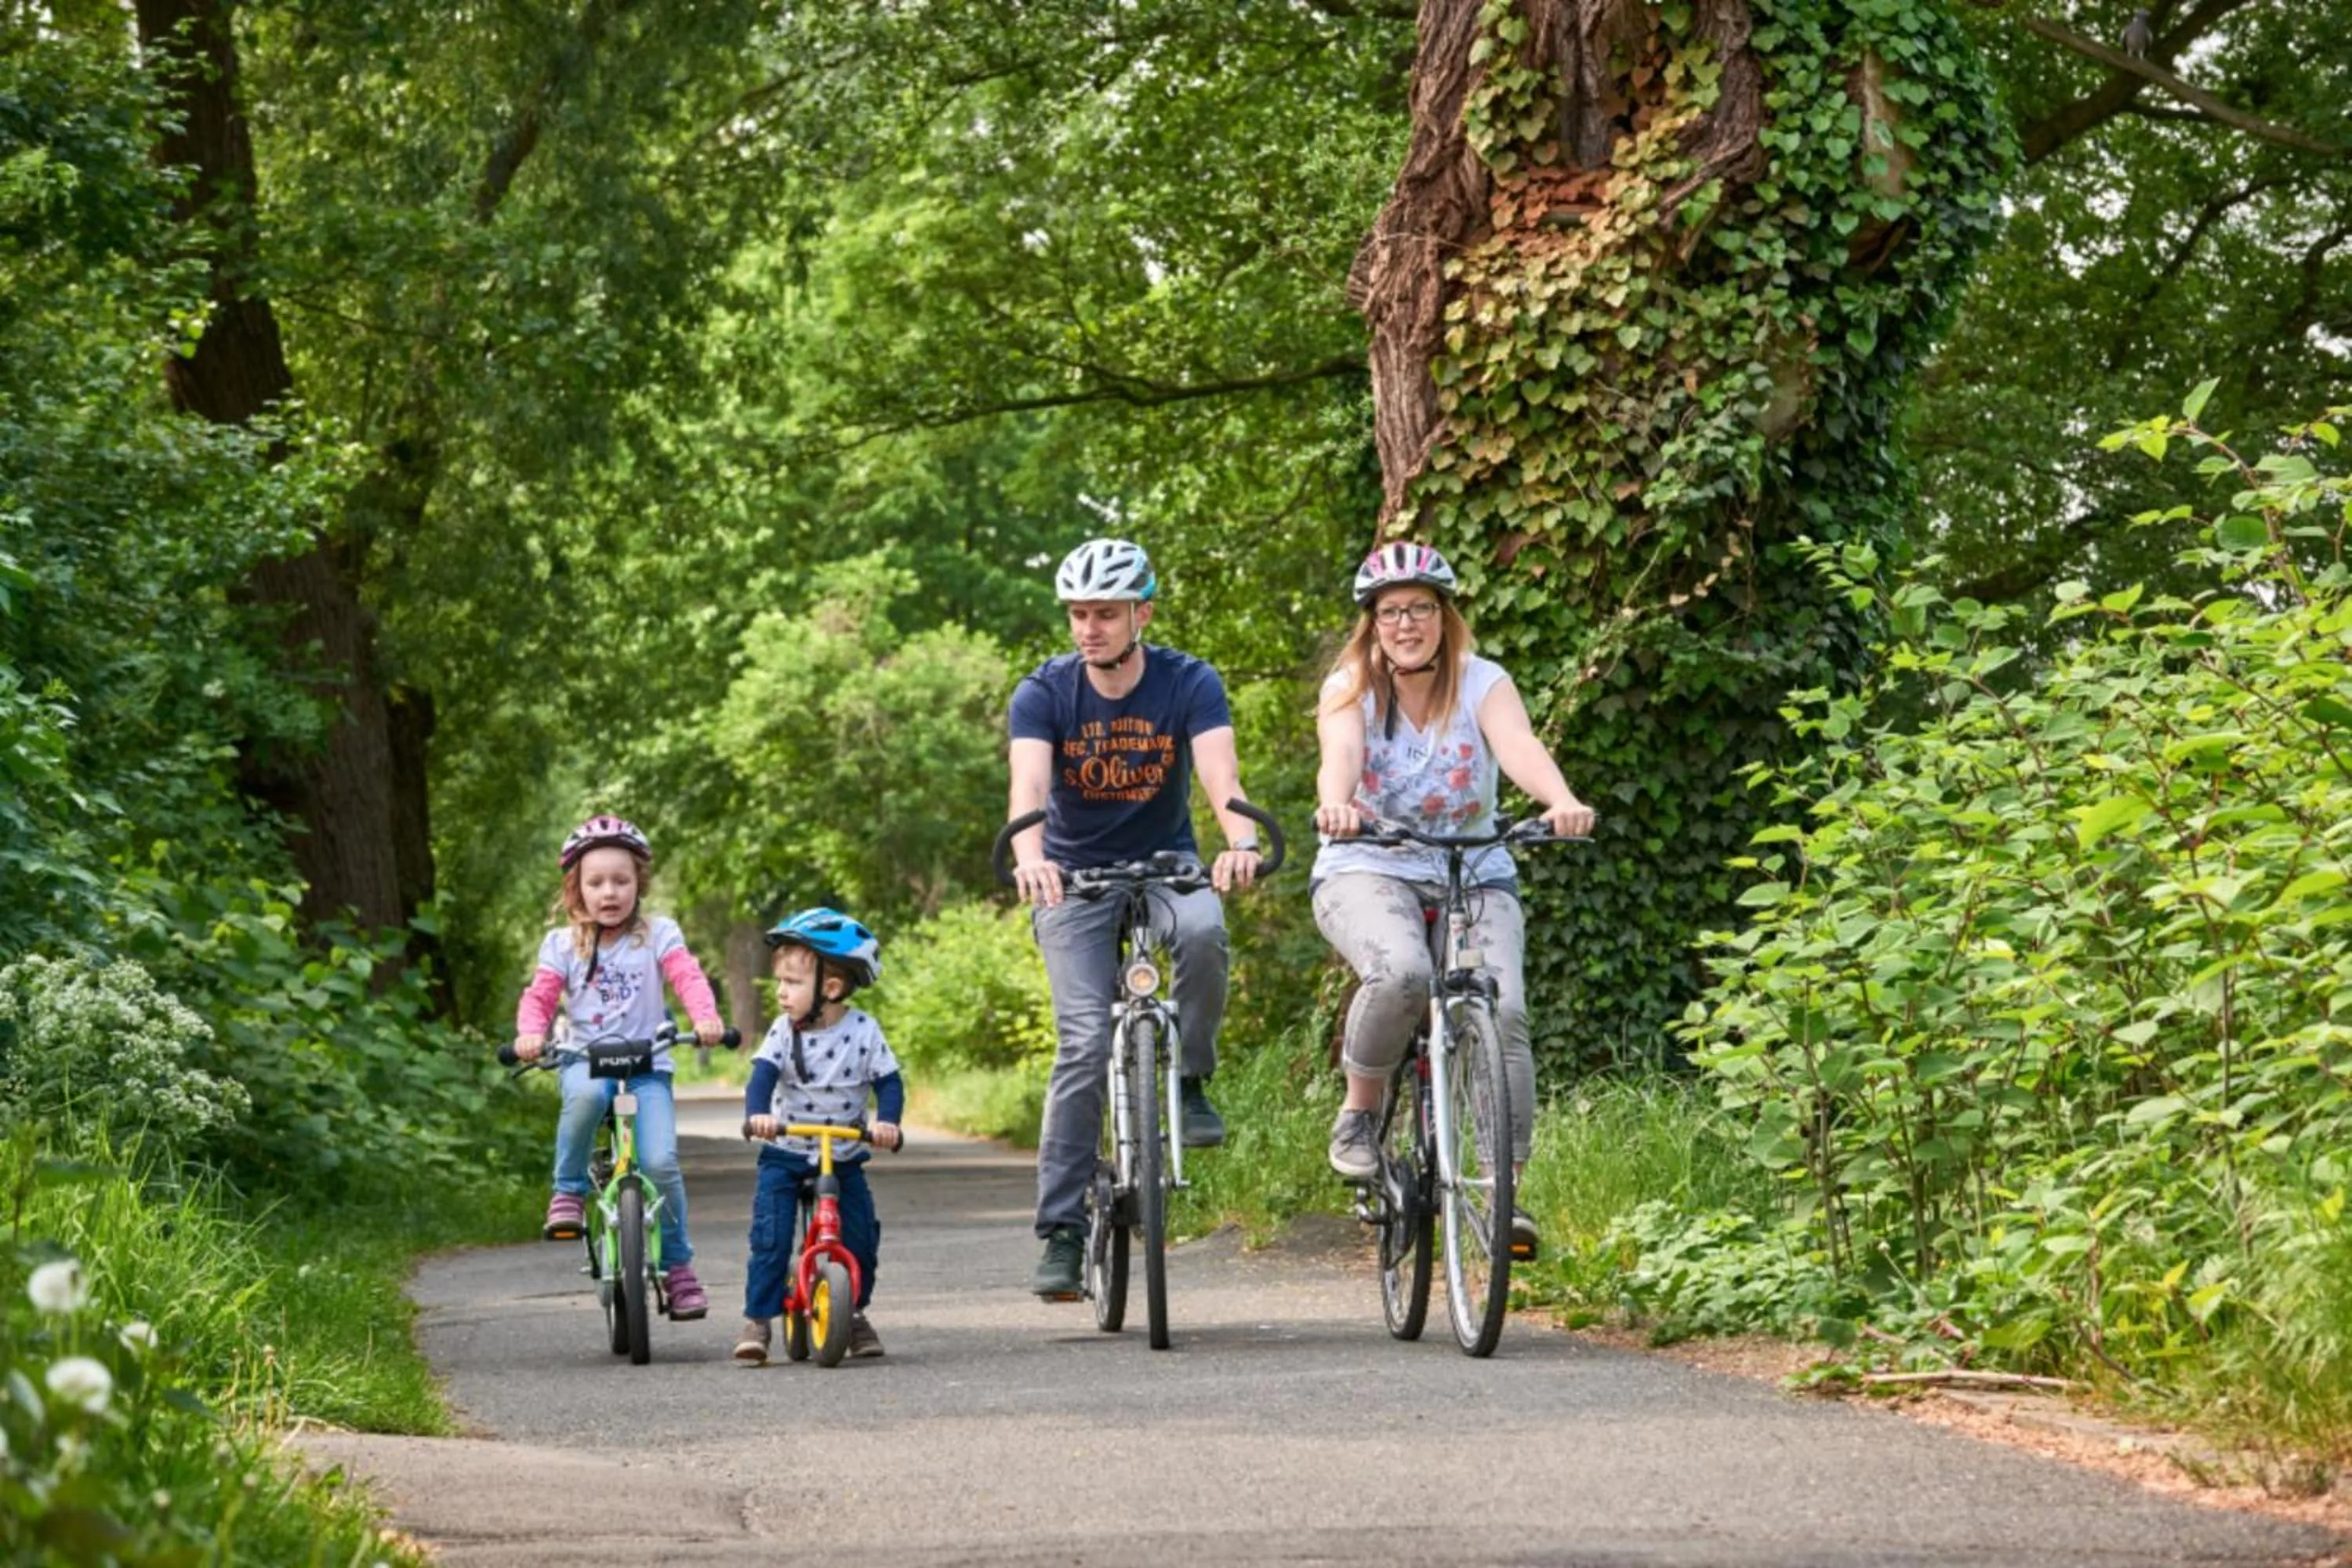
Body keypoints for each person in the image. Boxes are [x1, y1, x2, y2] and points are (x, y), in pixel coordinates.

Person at [1310, 543, 1596, 1258]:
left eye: (1421, 609)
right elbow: (1339, 755)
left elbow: (1518, 745)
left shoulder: (1482, 681)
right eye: (1391, 612)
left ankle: (1504, 1198)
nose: (1407, 623)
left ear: (1445, 616)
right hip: (1368, 862)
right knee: (1402, 971)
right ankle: (1360, 1114)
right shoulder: (1352, 686)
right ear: (1372, 624)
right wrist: (1337, 805)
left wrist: (1560, 799)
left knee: (1503, 1010)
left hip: (1473, 867)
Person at [1007, 536, 1268, 1298]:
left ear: (1140, 613)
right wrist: (1031, 855)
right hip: (1073, 878)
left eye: (1106, 614)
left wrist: (1240, 843)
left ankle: (1189, 1077)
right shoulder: (1045, 691)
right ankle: (1060, 1228)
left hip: (1166, 863)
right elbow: (1028, 786)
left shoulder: (1190, 681)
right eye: (1079, 614)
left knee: (1203, 928)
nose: (1089, 627)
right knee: (1084, 1041)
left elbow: (1221, 775)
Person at [513, 815, 726, 1319]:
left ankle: (677, 1269)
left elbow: (688, 978)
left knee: (660, 1162)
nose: (609, 892)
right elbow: (540, 997)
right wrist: (530, 1034)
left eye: (621, 881)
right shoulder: (561, 945)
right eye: (596, 882)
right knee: (586, 1097)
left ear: (639, 884)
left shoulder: (659, 934)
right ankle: (566, 1192)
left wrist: (706, 1017)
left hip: (648, 1065)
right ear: (576, 888)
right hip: (587, 1059)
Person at [735, 907, 902, 1364]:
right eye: (780, 982)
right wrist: (758, 1115)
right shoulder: (782, 1032)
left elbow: (889, 1081)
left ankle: (854, 1314)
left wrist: (887, 1122)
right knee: (771, 1235)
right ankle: (758, 1319)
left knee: (861, 1237)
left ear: (830, 988)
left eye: (791, 983)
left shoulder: (864, 1032)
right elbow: (762, 1077)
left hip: (843, 1154)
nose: (781, 993)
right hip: (786, 1151)